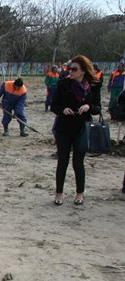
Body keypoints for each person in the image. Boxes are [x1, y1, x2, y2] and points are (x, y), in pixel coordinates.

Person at [50, 55, 101, 206]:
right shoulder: (63, 84)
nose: (70, 71)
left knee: (78, 162)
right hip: (64, 128)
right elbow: (54, 105)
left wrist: (88, 107)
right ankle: (59, 192)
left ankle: (80, 193)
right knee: (62, 161)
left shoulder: (93, 86)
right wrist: (63, 109)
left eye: (74, 69)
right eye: (69, 68)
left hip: (82, 129)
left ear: (83, 71)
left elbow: (98, 108)